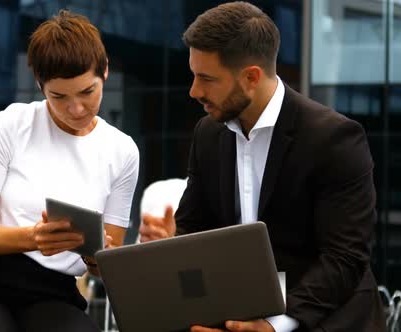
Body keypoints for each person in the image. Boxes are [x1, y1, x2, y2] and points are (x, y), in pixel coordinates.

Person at [139, 2, 385, 332]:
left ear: (251, 77)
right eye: (193, 76)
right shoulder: (209, 133)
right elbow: (194, 229)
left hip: (319, 316)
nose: (194, 91)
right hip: (234, 311)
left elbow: (344, 259)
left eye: (206, 79)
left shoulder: (334, 138)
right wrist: (171, 243)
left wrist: (274, 326)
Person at [0, 10, 139, 332]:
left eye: (87, 92)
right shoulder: (11, 124)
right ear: (41, 87)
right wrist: (33, 237)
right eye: (59, 97)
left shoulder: (122, 151)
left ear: (106, 71)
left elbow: (106, 263)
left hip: (55, 293)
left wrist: (99, 256)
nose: (76, 109)